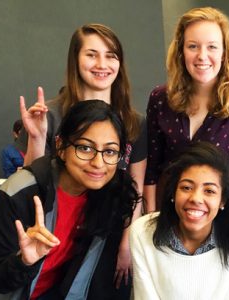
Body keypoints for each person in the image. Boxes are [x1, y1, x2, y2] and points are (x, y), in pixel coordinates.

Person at [19, 23, 146, 291]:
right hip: (57, 236)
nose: (102, 63)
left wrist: (127, 242)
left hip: (107, 238)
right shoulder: (49, 114)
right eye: (91, 54)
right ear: (75, 59)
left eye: (111, 55)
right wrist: (37, 138)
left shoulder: (135, 122)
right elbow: (30, 183)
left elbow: (137, 188)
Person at [0, 100, 139, 299]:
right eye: (85, 148)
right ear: (61, 146)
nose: (98, 163)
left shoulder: (113, 193)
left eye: (110, 151)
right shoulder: (18, 194)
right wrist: (23, 261)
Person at [144, 7, 229, 212]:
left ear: (224, 53)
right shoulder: (160, 99)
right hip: (167, 214)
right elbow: (152, 169)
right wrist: (149, 220)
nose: (202, 56)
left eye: (212, 47)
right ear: (181, 51)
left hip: (217, 217)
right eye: (193, 46)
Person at [130, 141, 229, 299]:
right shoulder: (143, 232)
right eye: (186, 187)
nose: (196, 199)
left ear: (223, 201)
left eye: (209, 191)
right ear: (173, 193)